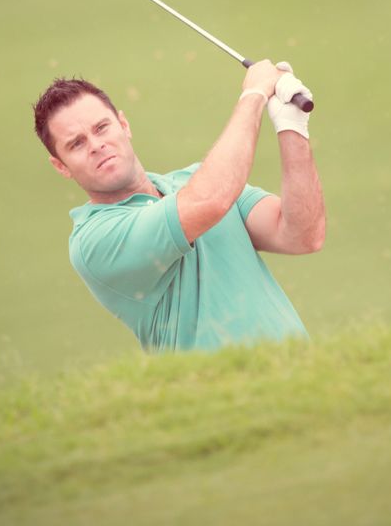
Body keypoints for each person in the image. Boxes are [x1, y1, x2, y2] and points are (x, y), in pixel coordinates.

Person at [32, 60, 325, 352]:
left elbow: (302, 235)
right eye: (77, 144)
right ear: (61, 166)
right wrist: (254, 94)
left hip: (298, 371)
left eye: (101, 128)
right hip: (219, 381)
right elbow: (209, 201)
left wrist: (291, 126)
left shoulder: (195, 180)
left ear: (124, 125)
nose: (96, 145)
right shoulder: (95, 240)